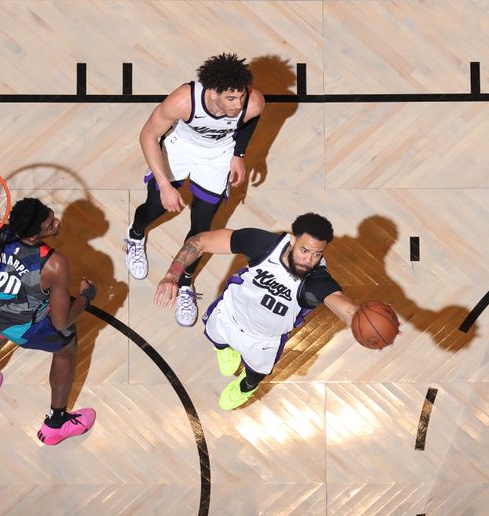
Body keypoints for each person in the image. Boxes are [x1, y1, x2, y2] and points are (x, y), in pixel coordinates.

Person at [155, 213, 361, 410]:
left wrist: (359, 318)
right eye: (304, 250)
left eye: (317, 254)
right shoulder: (264, 245)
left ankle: (245, 388)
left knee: (255, 374)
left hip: (262, 341)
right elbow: (200, 241)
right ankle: (225, 349)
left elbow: (344, 307)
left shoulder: (317, 281)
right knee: (217, 338)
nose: (309, 260)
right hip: (229, 314)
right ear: (291, 240)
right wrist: (173, 275)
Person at [125, 52, 265, 327]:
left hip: (218, 156)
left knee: (201, 227)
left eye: (241, 97)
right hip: (180, 149)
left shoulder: (252, 103)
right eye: (231, 99)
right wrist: (165, 185)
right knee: (154, 206)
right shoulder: (183, 101)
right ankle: (135, 234)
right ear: (213, 92)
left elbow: (250, 121)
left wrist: (239, 153)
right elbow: (148, 135)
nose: (238, 105)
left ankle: (186, 283)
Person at [0, 197, 97, 446]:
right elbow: (61, 322)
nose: (56, 222)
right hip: (21, 326)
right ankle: (56, 423)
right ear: (32, 235)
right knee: (66, 346)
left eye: (51, 214)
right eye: (49, 224)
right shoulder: (53, 263)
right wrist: (86, 297)